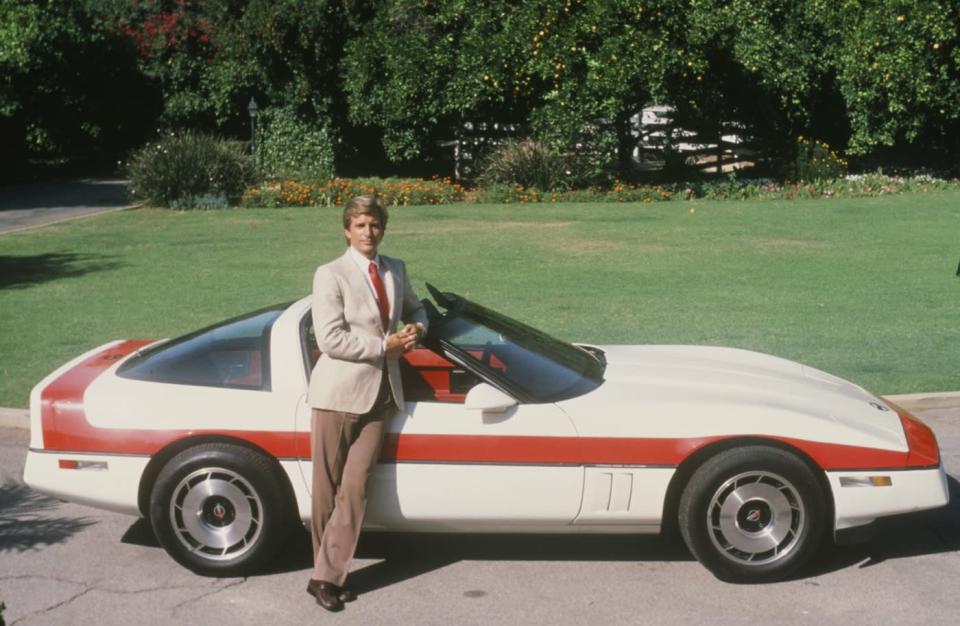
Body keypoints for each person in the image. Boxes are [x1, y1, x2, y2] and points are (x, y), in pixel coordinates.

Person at [306, 194, 427, 612]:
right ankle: (323, 573)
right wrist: (383, 345)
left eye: (374, 225)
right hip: (336, 395)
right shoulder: (330, 274)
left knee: (355, 488)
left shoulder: (396, 269)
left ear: (383, 227)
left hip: (382, 395)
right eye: (360, 225)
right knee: (327, 489)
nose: (368, 232)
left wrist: (416, 328)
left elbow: (417, 308)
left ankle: (326, 576)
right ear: (347, 229)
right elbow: (329, 339)